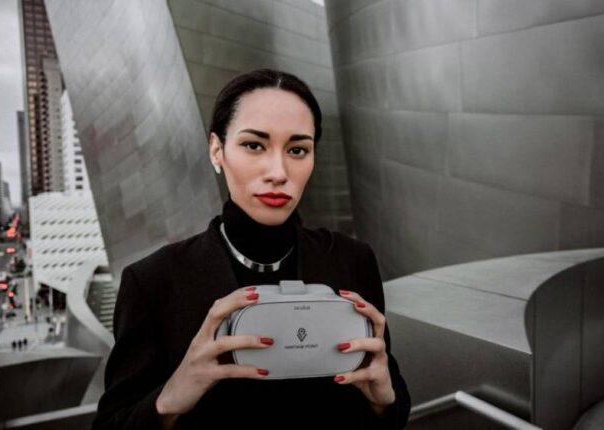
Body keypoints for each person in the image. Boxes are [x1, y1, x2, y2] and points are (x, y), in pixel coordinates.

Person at [92, 69, 411, 430]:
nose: (278, 172)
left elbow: (391, 405)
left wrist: (385, 401)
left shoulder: (353, 260)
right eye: (254, 145)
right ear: (217, 150)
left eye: (297, 150)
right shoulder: (153, 281)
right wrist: (168, 399)